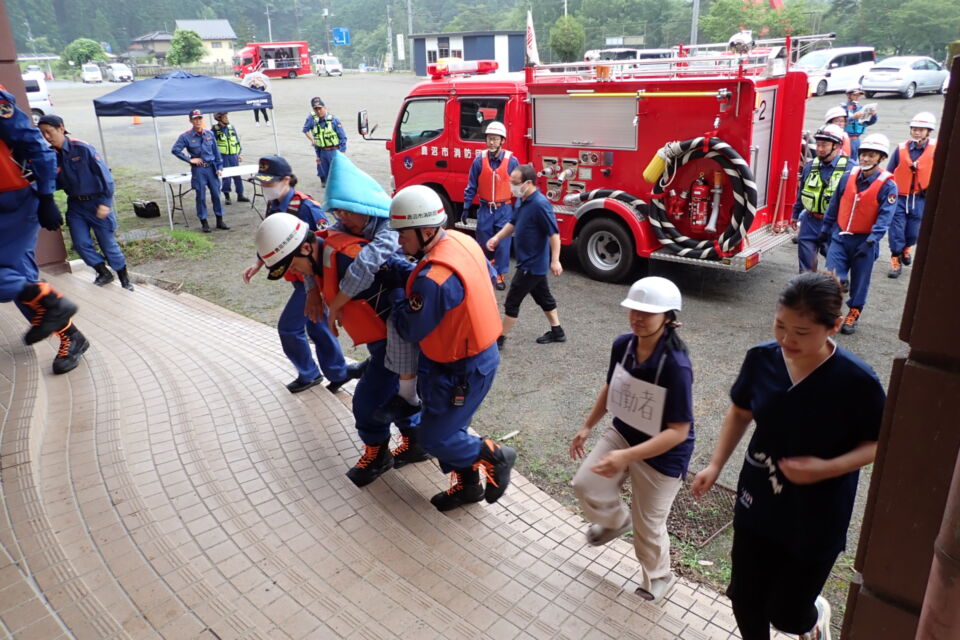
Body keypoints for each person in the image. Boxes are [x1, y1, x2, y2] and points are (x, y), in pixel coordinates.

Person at [692, 272, 885, 640]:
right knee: (746, 598)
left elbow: (878, 444)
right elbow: (740, 410)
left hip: (817, 513)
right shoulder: (762, 359)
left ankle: (812, 620)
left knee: (786, 612)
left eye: (801, 332)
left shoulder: (858, 383)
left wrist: (827, 468)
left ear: (834, 327)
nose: (786, 339)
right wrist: (716, 464)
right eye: (780, 325)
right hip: (758, 497)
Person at [257, 154, 430, 488]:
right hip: (381, 345)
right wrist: (311, 292)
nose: (293, 275)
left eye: (291, 267)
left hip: (397, 344)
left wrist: (334, 306)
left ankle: (379, 454)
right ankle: (417, 441)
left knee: (367, 402)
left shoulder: (362, 253)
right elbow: (315, 259)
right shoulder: (324, 242)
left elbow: (412, 278)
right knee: (397, 394)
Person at [386, 185, 517, 512]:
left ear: (427, 231)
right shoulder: (461, 241)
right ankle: (469, 487)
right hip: (455, 358)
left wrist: (398, 296)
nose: (399, 240)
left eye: (403, 234)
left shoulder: (434, 278)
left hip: (464, 367)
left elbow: (409, 326)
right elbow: (484, 278)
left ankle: (493, 454)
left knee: (435, 438)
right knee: (447, 426)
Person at [569, 276, 694, 604]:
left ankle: (659, 576)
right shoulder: (622, 344)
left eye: (646, 313)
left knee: (649, 524)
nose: (637, 318)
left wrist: (627, 458)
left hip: (663, 454)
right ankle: (614, 521)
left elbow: (679, 431)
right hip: (624, 430)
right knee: (585, 483)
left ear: (668, 317)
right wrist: (587, 426)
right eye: (633, 310)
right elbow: (612, 386)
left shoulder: (676, 366)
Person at [241, 155, 363, 393]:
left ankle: (310, 374)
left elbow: (325, 243)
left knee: (289, 327)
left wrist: (316, 290)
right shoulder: (274, 205)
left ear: (287, 180)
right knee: (318, 327)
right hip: (297, 279)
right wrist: (258, 262)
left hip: (311, 282)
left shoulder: (307, 207)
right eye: (263, 184)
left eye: (270, 183)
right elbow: (271, 238)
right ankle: (338, 372)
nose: (266, 188)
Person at [0, 85, 89, 374]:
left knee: (12, 276)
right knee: (19, 279)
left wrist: (47, 196)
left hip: (13, 198)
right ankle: (66, 330)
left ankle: (58, 315)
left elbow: (34, 144)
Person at [37, 115, 133, 291]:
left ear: (61, 128)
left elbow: (106, 177)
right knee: (80, 243)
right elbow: (56, 181)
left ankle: (125, 279)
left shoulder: (82, 148)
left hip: (97, 203)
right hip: (76, 206)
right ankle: (103, 272)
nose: (47, 137)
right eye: (43, 133)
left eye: (49, 132)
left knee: (108, 245)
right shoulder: (52, 155)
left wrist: (105, 202)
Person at [816, 133, 897, 335]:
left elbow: (885, 217)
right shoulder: (847, 177)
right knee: (832, 277)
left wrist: (871, 241)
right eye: (863, 155)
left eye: (871, 155)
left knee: (860, 281)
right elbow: (834, 205)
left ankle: (854, 311)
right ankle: (832, 312)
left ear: (881, 158)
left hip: (865, 241)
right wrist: (825, 230)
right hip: (841, 237)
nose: (865, 159)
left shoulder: (888, 185)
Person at [487, 164, 565, 347]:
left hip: (531, 265)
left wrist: (555, 260)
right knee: (543, 297)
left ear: (528, 183)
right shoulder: (522, 199)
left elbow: (554, 234)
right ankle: (557, 331)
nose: (511, 186)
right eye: (511, 182)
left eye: (515, 183)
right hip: (530, 263)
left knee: (512, 301)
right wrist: (497, 238)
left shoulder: (540, 204)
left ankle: (498, 339)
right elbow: (513, 223)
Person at [463, 121, 519, 290]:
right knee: (484, 241)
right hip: (485, 208)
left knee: (503, 244)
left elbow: (518, 187)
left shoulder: (512, 161)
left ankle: (500, 275)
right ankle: (486, 271)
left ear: (502, 141)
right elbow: (471, 185)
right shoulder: (479, 161)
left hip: (505, 209)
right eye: (489, 139)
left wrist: (519, 210)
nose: (492, 142)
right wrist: (466, 207)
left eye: (495, 139)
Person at [790, 124, 850, 273]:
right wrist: (795, 215)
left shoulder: (850, 169)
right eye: (818, 144)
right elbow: (802, 192)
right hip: (810, 222)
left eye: (825, 145)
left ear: (836, 146)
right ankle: (808, 292)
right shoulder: (810, 166)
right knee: (806, 269)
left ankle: (838, 284)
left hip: (834, 224)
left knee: (835, 268)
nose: (820, 149)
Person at [886, 111, 937, 279]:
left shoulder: (936, 149)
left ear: (928, 131)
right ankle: (895, 258)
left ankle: (906, 248)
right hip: (899, 197)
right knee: (896, 230)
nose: (917, 132)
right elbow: (889, 171)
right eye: (914, 128)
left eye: (921, 129)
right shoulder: (901, 149)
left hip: (920, 197)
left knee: (913, 233)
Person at [171, 109, 228, 233]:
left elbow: (216, 152)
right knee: (201, 196)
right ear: (191, 120)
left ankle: (219, 220)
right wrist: (189, 160)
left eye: (200, 118)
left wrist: (219, 167)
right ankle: (204, 222)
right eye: (195, 119)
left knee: (216, 195)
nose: (198, 121)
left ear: (202, 119)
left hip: (212, 168)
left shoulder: (209, 134)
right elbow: (175, 150)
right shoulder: (186, 136)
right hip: (199, 170)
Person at [302, 97, 347, 186]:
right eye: (316, 109)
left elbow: (343, 137)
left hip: (334, 151)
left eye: (320, 108)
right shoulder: (313, 120)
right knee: (325, 178)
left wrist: (342, 152)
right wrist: (318, 155)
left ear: (324, 108)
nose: (318, 111)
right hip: (322, 152)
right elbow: (308, 132)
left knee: (337, 175)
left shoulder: (334, 120)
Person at [212, 112, 250, 206]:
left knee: (237, 176)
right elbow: (212, 145)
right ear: (219, 119)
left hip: (233, 155)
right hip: (223, 157)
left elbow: (237, 141)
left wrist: (239, 153)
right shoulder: (214, 130)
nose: (227, 118)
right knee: (226, 177)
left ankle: (240, 195)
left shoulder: (231, 127)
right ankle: (227, 196)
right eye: (225, 117)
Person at [840, 86, 877, 159]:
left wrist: (873, 115)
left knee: (854, 161)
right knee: (844, 160)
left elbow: (868, 123)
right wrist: (852, 118)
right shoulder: (843, 108)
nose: (857, 97)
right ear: (848, 95)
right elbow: (839, 123)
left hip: (856, 139)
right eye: (854, 95)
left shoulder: (860, 108)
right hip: (845, 139)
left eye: (858, 95)